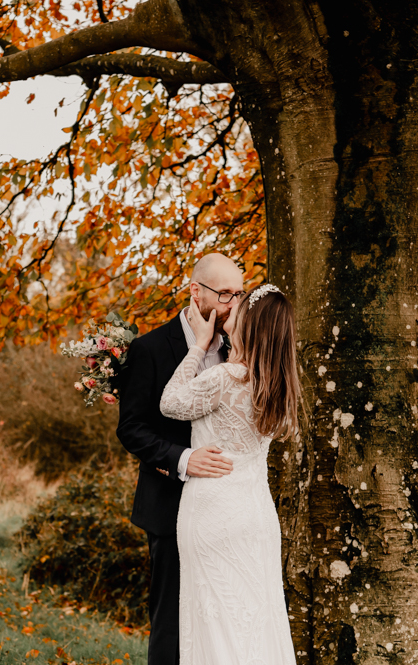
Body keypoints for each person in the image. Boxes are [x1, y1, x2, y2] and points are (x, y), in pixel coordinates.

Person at [115, 253, 246, 665]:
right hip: (170, 506)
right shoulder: (150, 348)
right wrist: (184, 459)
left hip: (228, 511)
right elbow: (131, 428)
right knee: (172, 622)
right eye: (225, 294)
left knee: (220, 619)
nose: (233, 305)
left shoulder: (239, 349)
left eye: (239, 294)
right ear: (196, 292)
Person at [160, 283, 300, 664]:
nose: (230, 309)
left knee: (217, 625)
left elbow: (169, 402)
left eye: (238, 306)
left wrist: (198, 347)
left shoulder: (224, 378)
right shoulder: (278, 387)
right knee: (257, 624)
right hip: (257, 518)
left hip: (214, 514)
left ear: (249, 325)